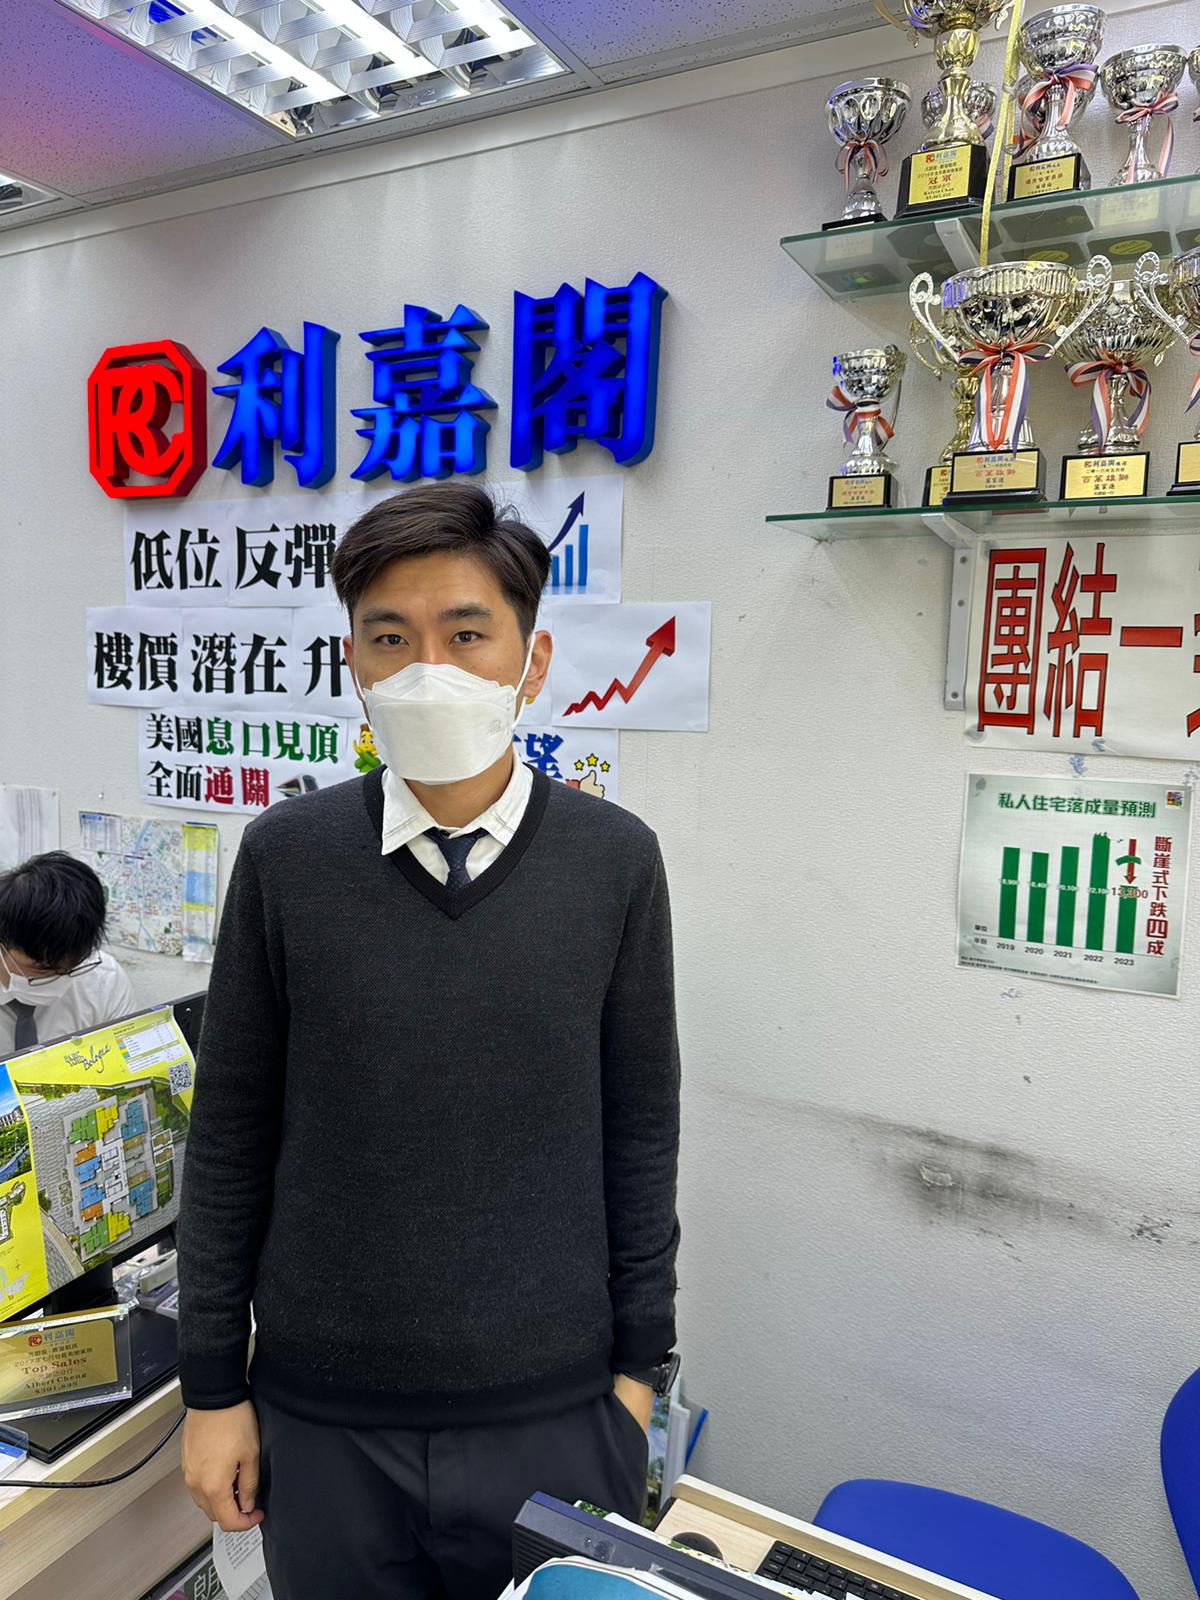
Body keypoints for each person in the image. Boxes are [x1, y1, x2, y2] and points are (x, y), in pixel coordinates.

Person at [178, 482, 681, 1600]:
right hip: (323, 1418)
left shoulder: (614, 860)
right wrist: (211, 1386)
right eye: (391, 638)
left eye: (466, 634)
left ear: (532, 662)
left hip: (555, 1412)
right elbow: (229, 1134)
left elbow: (642, 1129)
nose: (427, 668)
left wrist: (637, 1374)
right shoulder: (287, 857)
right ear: (352, 663)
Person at [0, 851, 135, 1056]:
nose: (59, 979)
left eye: (72, 967)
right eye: (43, 969)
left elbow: (128, 1060)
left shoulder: (103, 977)